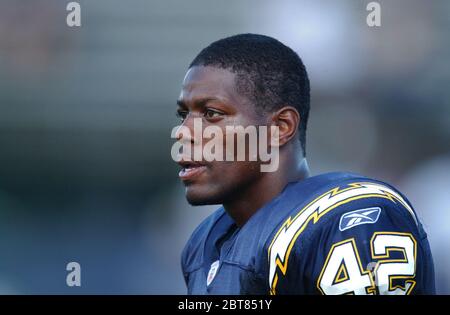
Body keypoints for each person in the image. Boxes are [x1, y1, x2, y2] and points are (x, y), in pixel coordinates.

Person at [174, 33, 435, 294]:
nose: (184, 132)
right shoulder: (206, 243)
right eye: (184, 114)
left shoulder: (345, 221)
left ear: (280, 127)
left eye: (212, 114)